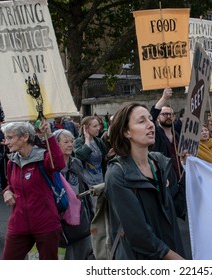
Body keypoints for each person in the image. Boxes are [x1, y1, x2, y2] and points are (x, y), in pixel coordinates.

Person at [105, 102, 186, 260]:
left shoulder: (161, 164)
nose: (151, 124)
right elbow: (137, 234)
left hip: (172, 251)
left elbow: (179, 207)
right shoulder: (117, 175)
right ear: (126, 132)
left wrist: (188, 169)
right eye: (142, 121)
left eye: (150, 119)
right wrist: (175, 259)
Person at [1, 120, 66, 260]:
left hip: (46, 224)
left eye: (10, 137)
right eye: (6, 138)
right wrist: (7, 191)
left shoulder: (43, 158)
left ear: (25, 137)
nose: (6, 142)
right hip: (18, 224)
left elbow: (59, 164)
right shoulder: (11, 162)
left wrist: (49, 135)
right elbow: (11, 184)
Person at [53, 129, 94, 259]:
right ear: (55, 144)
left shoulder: (76, 163)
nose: (70, 144)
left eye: (71, 141)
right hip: (61, 219)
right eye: (65, 142)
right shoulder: (52, 166)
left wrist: (91, 214)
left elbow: (83, 190)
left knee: (84, 254)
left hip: (81, 217)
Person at [74, 116, 107, 204]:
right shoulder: (78, 142)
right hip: (88, 183)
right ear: (86, 128)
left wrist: (109, 156)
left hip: (101, 180)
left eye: (98, 125)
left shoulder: (99, 141)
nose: (98, 128)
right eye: (95, 126)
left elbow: (103, 160)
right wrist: (87, 139)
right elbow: (82, 156)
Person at [150, 88, 182, 180]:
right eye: (164, 114)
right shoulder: (155, 132)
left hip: (179, 177)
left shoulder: (176, 134)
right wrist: (164, 98)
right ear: (158, 118)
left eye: (171, 114)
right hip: (165, 178)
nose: (168, 116)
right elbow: (152, 116)